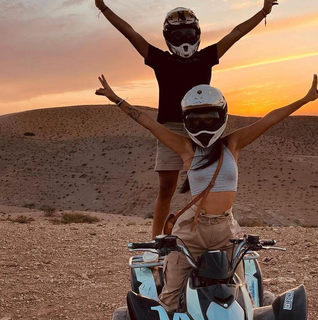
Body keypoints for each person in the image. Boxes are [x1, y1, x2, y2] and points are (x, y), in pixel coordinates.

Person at [95, 74, 318, 312]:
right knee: (170, 298)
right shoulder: (185, 147)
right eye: (196, 121)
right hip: (192, 230)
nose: (203, 126)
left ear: (221, 117)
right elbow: (149, 123)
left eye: (209, 119)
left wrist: (305, 100)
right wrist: (116, 99)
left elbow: (269, 119)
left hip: (226, 229)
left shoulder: (232, 144)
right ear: (186, 121)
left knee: (241, 293)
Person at [95, 0, 279, 238]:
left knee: (207, 186)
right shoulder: (161, 60)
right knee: (166, 188)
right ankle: (156, 241)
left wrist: (263, 12)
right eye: (178, 34)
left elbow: (236, 33)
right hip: (171, 129)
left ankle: (204, 235)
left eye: (188, 33)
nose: (184, 39)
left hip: (205, 128)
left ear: (197, 34)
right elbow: (130, 33)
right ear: (168, 36)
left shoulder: (205, 58)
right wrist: (102, 7)